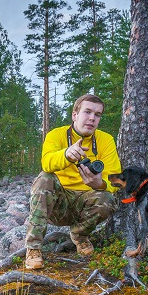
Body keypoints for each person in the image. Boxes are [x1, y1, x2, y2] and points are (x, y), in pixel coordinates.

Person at [24, 93, 122, 270]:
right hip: (57, 204)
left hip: (85, 202)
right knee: (45, 178)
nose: (92, 118)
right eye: (87, 112)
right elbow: (46, 163)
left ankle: (79, 235)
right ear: (75, 115)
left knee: (107, 199)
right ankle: (33, 248)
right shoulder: (56, 135)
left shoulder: (105, 140)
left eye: (97, 115)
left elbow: (114, 179)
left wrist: (99, 184)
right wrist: (66, 154)